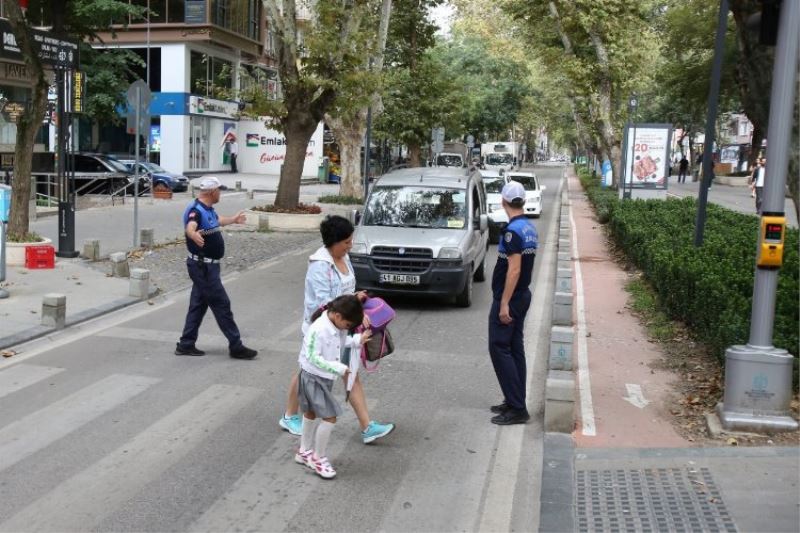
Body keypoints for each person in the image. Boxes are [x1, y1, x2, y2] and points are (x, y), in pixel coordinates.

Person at [278, 215, 395, 443]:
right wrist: (356, 313)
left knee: (350, 373)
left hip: (344, 327)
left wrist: (356, 297)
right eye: (346, 242)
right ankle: (290, 416)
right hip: (321, 331)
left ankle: (367, 426)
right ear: (333, 242)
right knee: (306, 372)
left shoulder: (344, 257)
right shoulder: (320, 266)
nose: (350, 246)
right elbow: (325, 306)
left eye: (350, 241)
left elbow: (343, 294)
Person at [175, 176, 257, 359]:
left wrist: (234, 220)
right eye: (219, 190)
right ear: (212, 192)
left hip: (206, 267)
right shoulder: (196, 210)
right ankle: (236, 346)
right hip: (203, 267)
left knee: (198, 305)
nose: (220, 193)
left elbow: (218, 221)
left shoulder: (208, 209)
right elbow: (191, 226)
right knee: (222, 304)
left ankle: (186, 344)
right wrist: (192, 235)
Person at [294, 295, 371, 479]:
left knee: (311, 413)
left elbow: (340, 342)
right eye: (348, 325)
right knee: (330, 417)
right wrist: (340, 368)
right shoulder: (318, 329)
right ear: (337, 316)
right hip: (313, 378)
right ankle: (318, 458)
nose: (348, 329)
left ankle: (304, 451)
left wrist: (356, 340)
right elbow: (313, 357)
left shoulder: (336, 326)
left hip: (321, 377)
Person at [488, 181, 538, 425]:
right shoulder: (528, 227)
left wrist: (504, 303)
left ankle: (517, 407)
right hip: (522, 296)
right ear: (524, 202)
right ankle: (514, 400)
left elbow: (514, 270)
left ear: (503, 202)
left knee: (499, 347)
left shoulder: (512, 232)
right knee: (515, 349)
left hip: (512, 297)